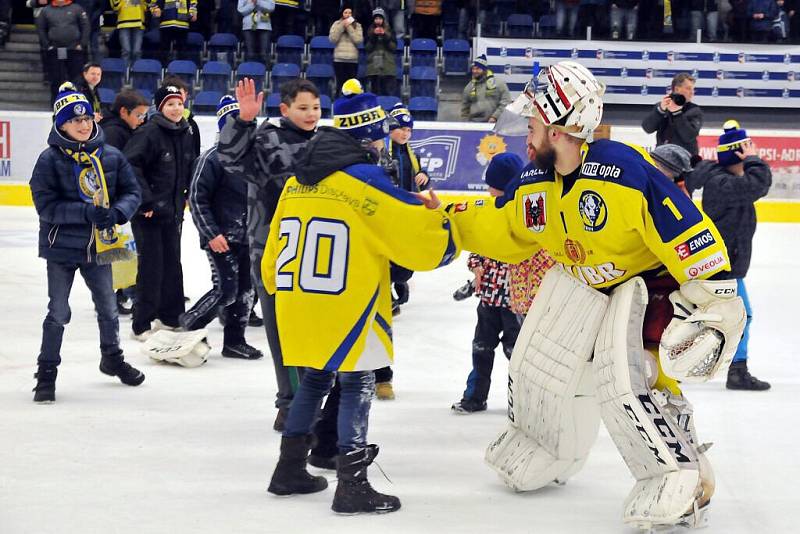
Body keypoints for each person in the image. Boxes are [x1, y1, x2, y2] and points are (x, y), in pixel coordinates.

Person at [448, 61, 746, 530]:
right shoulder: (537, 182)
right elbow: (503, 225)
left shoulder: (623, 170)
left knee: (633, 379)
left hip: (647, 286)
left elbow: (684, 229)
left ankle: (682, 475)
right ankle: (545, 445)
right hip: (582, 281)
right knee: (535, 364)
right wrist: (449, 222)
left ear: (561, 126)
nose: (525, 136)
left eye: (532, 125)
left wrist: (717, 298)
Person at [264, 78, 457, 514]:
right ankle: (352, 485)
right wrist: (443, 227)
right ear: (370, 135)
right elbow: (413, 233)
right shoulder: (365, 179)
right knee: (358, 380)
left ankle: (288, 469)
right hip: (347, 303)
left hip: (298, 301)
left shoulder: (300, 179)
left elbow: (273, 249)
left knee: (315, 379)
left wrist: (276, 289)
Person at [29, 82, 145, 403]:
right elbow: (46, 206)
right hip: (62, 249)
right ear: (61, 124)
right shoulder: (48, 160)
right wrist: (86, 213)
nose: (83, 125)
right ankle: (47, 371)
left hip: (100, 247)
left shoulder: (110, 156)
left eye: (86, 119)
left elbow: (132, 192)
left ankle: (112, 358)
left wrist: (118, 212)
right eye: (74, 120)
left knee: (108, 307)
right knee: (59, 311)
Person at [217, 77, 321, 431]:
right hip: (273, 251)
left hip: (315, 251)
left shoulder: (325, 142)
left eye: (316, 108)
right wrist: (243, 120)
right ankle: (290, 404)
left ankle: (310, 400)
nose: (311, 114)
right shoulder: (267, 137)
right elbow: (231, 159)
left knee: (312, 331)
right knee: (282, 331)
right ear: (285, 109)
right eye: (303, 108)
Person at [685, 120, 772, 390]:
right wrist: (754, 160)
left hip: (728, 263)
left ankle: (717, 364)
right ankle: (737, 370)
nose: (751, 152)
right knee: (740, 315)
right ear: (737, 153)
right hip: (725, 265)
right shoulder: (722, 184)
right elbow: (758, 184)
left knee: (723, 315)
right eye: (746, 148)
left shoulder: (724, 180)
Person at [179, 96, 264, 360]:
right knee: (226, 290)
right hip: (221, 237)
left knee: (246, 291)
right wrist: (211, 234)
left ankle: (234, 342)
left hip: (249, 237)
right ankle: (189, 327)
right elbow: (196, 198)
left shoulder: (256, 159)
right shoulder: (212, 159)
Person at [452, 153, 522, 414]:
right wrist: (476, 267)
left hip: (516, 302)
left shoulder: (519, 215)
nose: (488, 190)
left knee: (516, 353)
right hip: (489, 300)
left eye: (491, 186)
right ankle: (474, 396)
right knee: (481, 348)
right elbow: (478, 250)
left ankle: (523, 401)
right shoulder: (488, 213)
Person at [124, 85, 195, 339]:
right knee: (151, 266)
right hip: (149, 214)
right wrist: (145, 203)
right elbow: (130, 165)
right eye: (170, 104)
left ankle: (171, 317)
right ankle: (141, 322)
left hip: (174, 212)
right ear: (160, 107)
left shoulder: (186, 132)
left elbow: (189, 168)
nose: (176, 109)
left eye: (179, 103)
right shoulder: (149, 133)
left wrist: (186, 197)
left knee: (172, 265)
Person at [372, 103, 431, 400]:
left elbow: (420, 179)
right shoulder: (382, 154)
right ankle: (394, 290)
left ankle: (398, 285)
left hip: (406, 213)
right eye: (400, 129)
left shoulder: (412, 155)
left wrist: (425, 181)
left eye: (409, 130)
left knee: (405, 265)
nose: (405, 134)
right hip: (388, 216)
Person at [98, 88, 150, 315]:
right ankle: (115, 296)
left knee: (124, 251)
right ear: (123, 112)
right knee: (118, 251)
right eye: (138, 115)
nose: (141, 120)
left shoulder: (124, 130)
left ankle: (121, 294)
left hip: (122, 201)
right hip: (115, 204)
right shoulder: (114, 134)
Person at [36, 0, 89, 103]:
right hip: (55, 49)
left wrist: (82, 44)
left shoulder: (76, 8)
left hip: (74, 49)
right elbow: (40, 29)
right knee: (56, 78)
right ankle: (56, 103)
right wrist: (47, 45)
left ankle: (76, 102)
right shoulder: (46, 10)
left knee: (76, 78)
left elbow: (85, 26)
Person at [642, 72, 703, 157]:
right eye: (688, 88)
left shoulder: (694, 110)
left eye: (693, 89)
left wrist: (677, 113)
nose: (692, 92)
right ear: (677, 89)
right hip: (663, 157)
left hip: (686, 159)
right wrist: (660, 110)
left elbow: (689, 136)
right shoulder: (663, 106)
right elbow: (647, 128)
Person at [460, 54, 511, 123]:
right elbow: (464, 108)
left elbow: (506, 102)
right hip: (474, 124)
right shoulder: (469, 87)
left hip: (494, 124)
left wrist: (495, 117)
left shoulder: (498, 83)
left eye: (478, 69)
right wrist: (465, 124)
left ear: (484, 69)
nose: (475, 71)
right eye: (473, 68)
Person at [329, 7, 363, 97]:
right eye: (346, 12)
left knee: (352, 86)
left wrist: (349, 28)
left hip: (352, 60)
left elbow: (358, 40)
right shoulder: (336, 24)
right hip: (339, 59)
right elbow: (333, 39)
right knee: (340, 85)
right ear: (342, 14)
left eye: (350, 13)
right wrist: (341, 27)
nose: (348, 15)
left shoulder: (357, 25)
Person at [365, 7, 397, 96]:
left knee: (387, 92)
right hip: (374, 67)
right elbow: (367, 48)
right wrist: (373, 37)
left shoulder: (390, 31)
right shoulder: (369, 32)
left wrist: (385, 36)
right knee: (375, 92)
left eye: (380, 18)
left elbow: (393, 47)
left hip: (388, 66)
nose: (378, 21)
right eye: (376, 18)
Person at [110, 0, 147, 67]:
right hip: (124, 22)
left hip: (138, 22)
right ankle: (125, 75)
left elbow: (147, 5)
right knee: (126, 51)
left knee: (137, 51)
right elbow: (115, 6)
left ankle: (136, 74)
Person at [238, 0, 275, 66]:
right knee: (250, 54)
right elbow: (241, 10)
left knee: (264, 54)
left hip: (264, 26)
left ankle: (264, 74)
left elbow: (271, 8)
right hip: (248, 26)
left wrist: (258, 2)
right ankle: (250, 74)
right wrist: (252, 4)